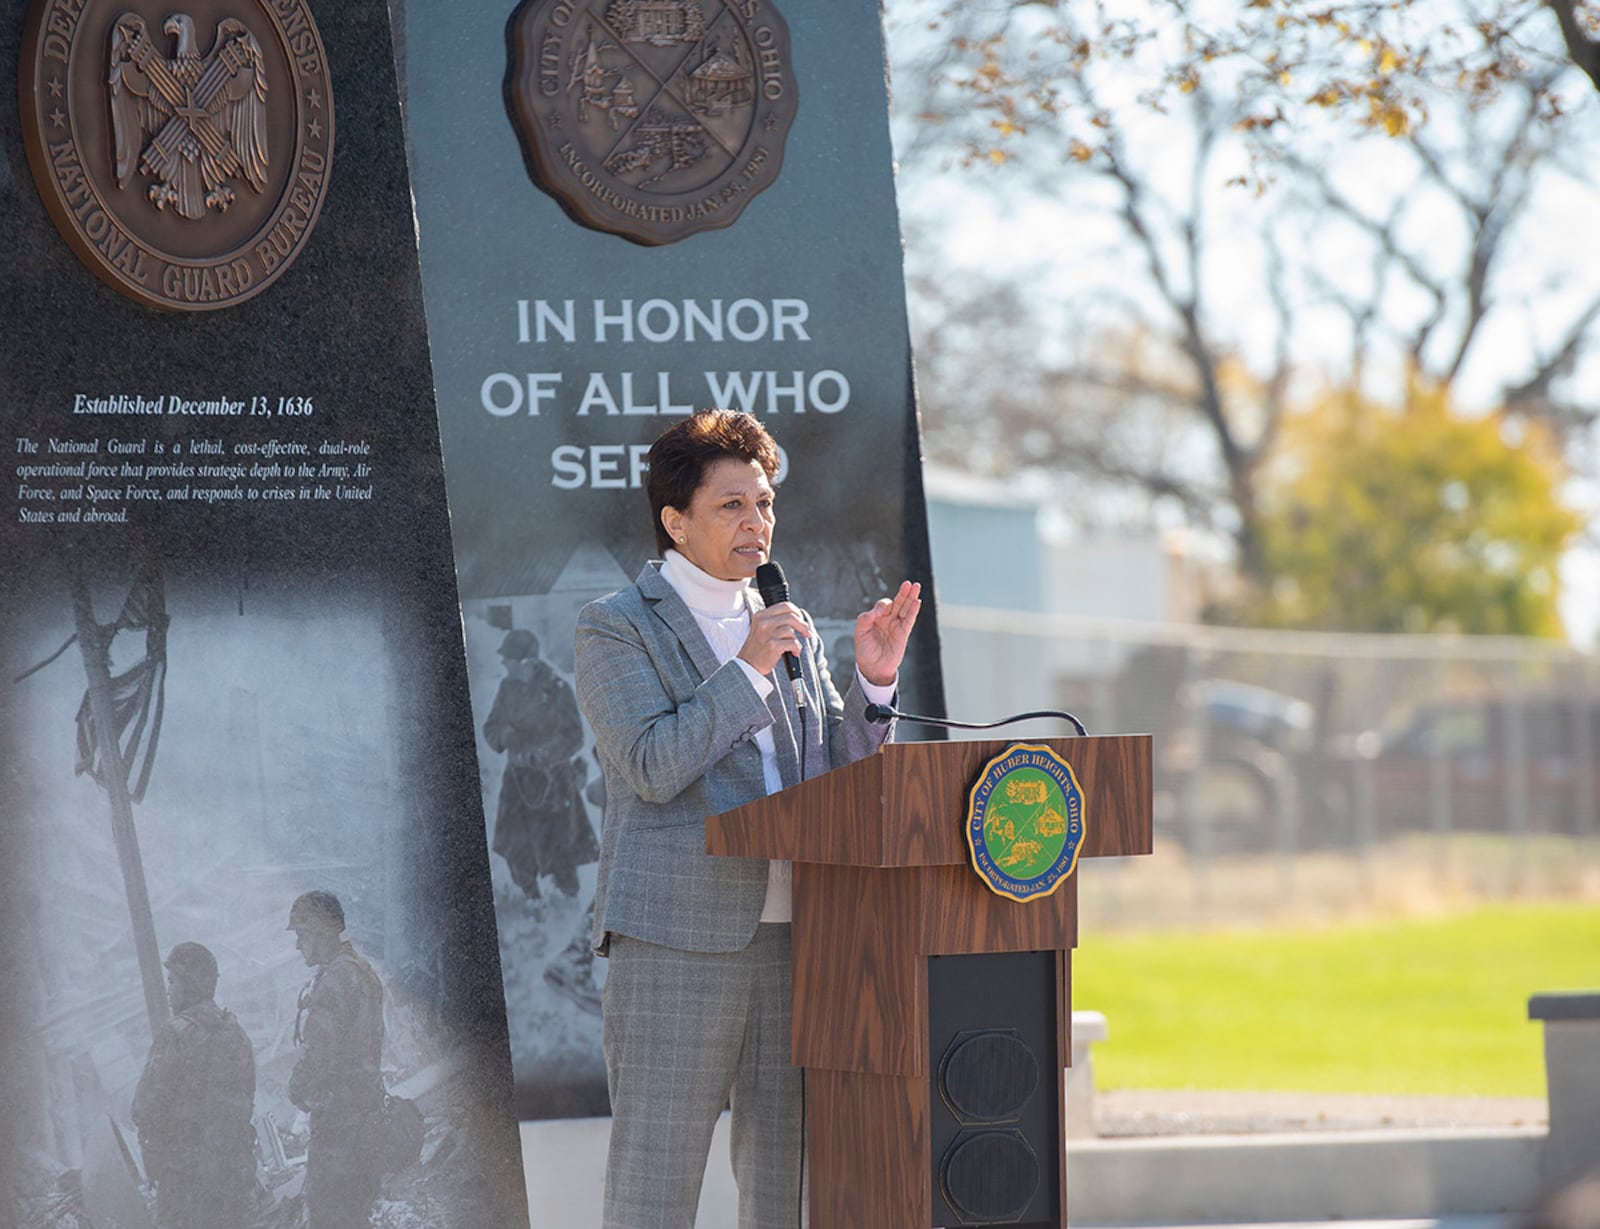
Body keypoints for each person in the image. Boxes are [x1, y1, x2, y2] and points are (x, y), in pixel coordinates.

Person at [574, 408, 922, 1229]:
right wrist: (747, 668)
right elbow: (652, 765)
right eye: (732, 505)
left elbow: (832, 780)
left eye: (764, 503)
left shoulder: (785, 623)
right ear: (675, 519)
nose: (757, 522)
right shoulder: (618, 623)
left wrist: (874, 687)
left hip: (797, 937)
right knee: (654, 1190)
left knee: (787, 1190)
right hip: (676, 940)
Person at [131, 942, 256, 1229]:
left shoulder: (175, 1034)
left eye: (173, 981)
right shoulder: (236, 1033)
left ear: (190, 985)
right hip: (231, 1176)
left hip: (185, 1180)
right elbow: (246, 1100)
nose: (168, 989)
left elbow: (144, 1108)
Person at [285, 890, 385, 1229]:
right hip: (365, 1119)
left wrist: (296, 1089)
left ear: (318, 932)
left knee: (331, 1216)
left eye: (301, 935)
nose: (298, 945)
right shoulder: (360, 970)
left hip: (339, 1129)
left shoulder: (334, 982)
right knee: (354, 1214)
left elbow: (319, 1056)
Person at [482, 626, 599, 903]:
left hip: (554, 784)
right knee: (515, 845)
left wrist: (544, 754)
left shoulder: (557, 689)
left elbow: (575, 737)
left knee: (559, 850)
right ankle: (530, 899)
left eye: (508, 659)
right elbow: (491, 727)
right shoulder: (506, 687)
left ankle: (568, 904)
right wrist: (505, 734)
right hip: (517, 782)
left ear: (526, 662)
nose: (503, 664)